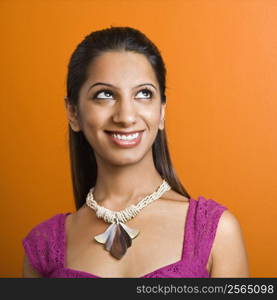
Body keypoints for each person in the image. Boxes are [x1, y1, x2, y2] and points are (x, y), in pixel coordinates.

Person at [22, 26, 249, 278]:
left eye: (143, 94)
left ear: (161, 111)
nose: (126, 117)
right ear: (73, 113)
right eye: (105, 94)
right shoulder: (41, 247)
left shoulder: (217, 231)